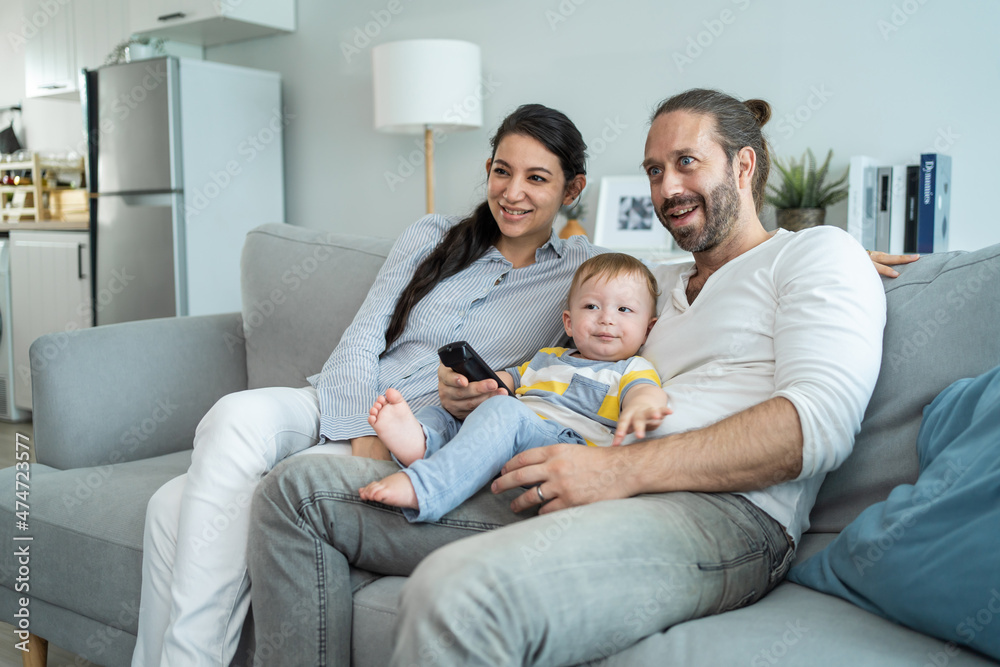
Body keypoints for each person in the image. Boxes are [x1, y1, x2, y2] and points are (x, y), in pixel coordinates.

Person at [246, 88, 901, 666]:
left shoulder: (818, 255)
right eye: (653, 169)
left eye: (686, 163)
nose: (665, 187)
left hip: (722, 513)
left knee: (456, 592)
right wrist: (474, 396)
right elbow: (558, 355)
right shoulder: (651, 283)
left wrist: (616, 472)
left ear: (744, 164)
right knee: (295, 490)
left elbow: (816, 428)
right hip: (572, 468)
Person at [130, 103, 593, 666]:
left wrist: (468, 404)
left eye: (536, 178)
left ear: (572, 189)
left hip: (418, 437)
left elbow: (573, 369)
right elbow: (363, 335)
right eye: (502, 170)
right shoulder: (432, 236)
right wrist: (357, 433)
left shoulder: (582, 276)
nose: (512, 191)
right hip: (336, 403)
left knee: (167, 507)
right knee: (233, 416)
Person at [359, 253, 670, 522]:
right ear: (569, 323)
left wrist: (643, 405)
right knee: (444, 412)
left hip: (567, 448)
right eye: (591, 306)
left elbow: (644, 391)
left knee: (504, 411)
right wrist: (473, 382)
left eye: (624, 310)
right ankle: (422, 442)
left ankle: (426, 487)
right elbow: (503, 381)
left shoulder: (631, 368)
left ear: (648, 329)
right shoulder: (547, 358)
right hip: (512, 432)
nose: (606, 319)